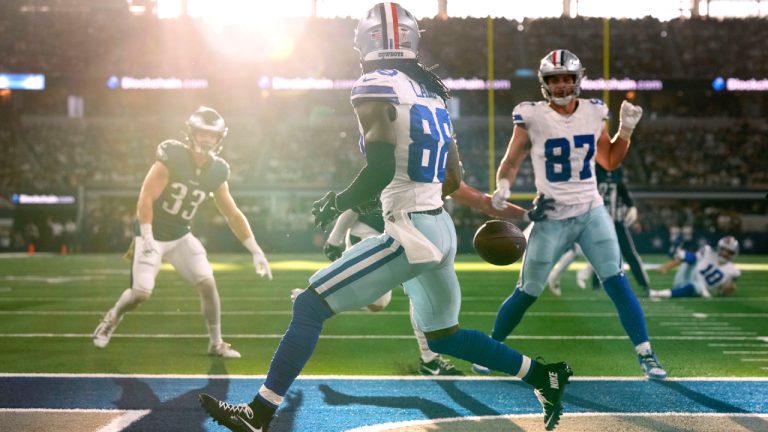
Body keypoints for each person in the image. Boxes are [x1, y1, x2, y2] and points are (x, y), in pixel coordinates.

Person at [199, 4, 572, 431]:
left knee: (309, 305)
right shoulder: (432, 92)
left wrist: (340, 202)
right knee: (444, 335)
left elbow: (377, 168)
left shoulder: (374, 84)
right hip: (439, 226)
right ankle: (546, 375)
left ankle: (259, 413)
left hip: (410, 233)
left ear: (365, 41)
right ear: (412, 41)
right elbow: (452, 179)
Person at [489, 49, 667, 381]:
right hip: (551, 215)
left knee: (616, 280)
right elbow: (512, 159)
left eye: (565, 78)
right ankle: (491, 347)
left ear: (577, 80)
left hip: (590, 210)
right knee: (528, 290)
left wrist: (626, 132)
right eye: (553, 79)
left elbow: (610, 160)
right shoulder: (531, 115)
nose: (559, 85)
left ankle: (646, 355)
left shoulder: (594, 112)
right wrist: (502, 185)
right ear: (545, 83)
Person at [92, 106, 272, 358]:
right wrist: (146, 235)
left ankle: (216, 343)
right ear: (191, 133)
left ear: (219, 139)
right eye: (202, 133)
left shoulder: (217, 170)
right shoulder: (172, 155)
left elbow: (232, 213)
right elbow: (146, 196)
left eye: (212, 135)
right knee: (140, 293)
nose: (207, 139)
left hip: (180, 236)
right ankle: (112, 317)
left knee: (208, 284)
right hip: (151, 233)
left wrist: (255, 249)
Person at [318, 179, 528, 377]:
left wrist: (527, 215)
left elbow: (479, 200)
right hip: (373, 231)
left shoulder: (438, 171)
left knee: (387, 301)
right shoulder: (405, 161)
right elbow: (359, 196)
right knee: (402, 295)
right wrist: (334, 239)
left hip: (407, 232)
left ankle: (429, 360)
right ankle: (320, 297)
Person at [545, 163, 650, 296]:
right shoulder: (590, 167)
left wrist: (631, 205)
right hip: (593, 218)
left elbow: (621, 186)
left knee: (625, 252)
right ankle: (556, 276)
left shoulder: (616, 170)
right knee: (580, 250)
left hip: (614, 220)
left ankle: (643, 284)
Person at [650, 236, 740, 299]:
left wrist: (728, 289)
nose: (725, 253)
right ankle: (675, 253)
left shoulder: (733, 272)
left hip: (700, 289)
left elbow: (725, 290)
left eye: (729, 252)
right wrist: (667, 266)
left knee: (694, 287)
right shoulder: (708, 251)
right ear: (719, 248)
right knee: (690, 257)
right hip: (685, 277)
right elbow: (691, 258)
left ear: (733, 253)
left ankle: (658, 293)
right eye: (723, 250)